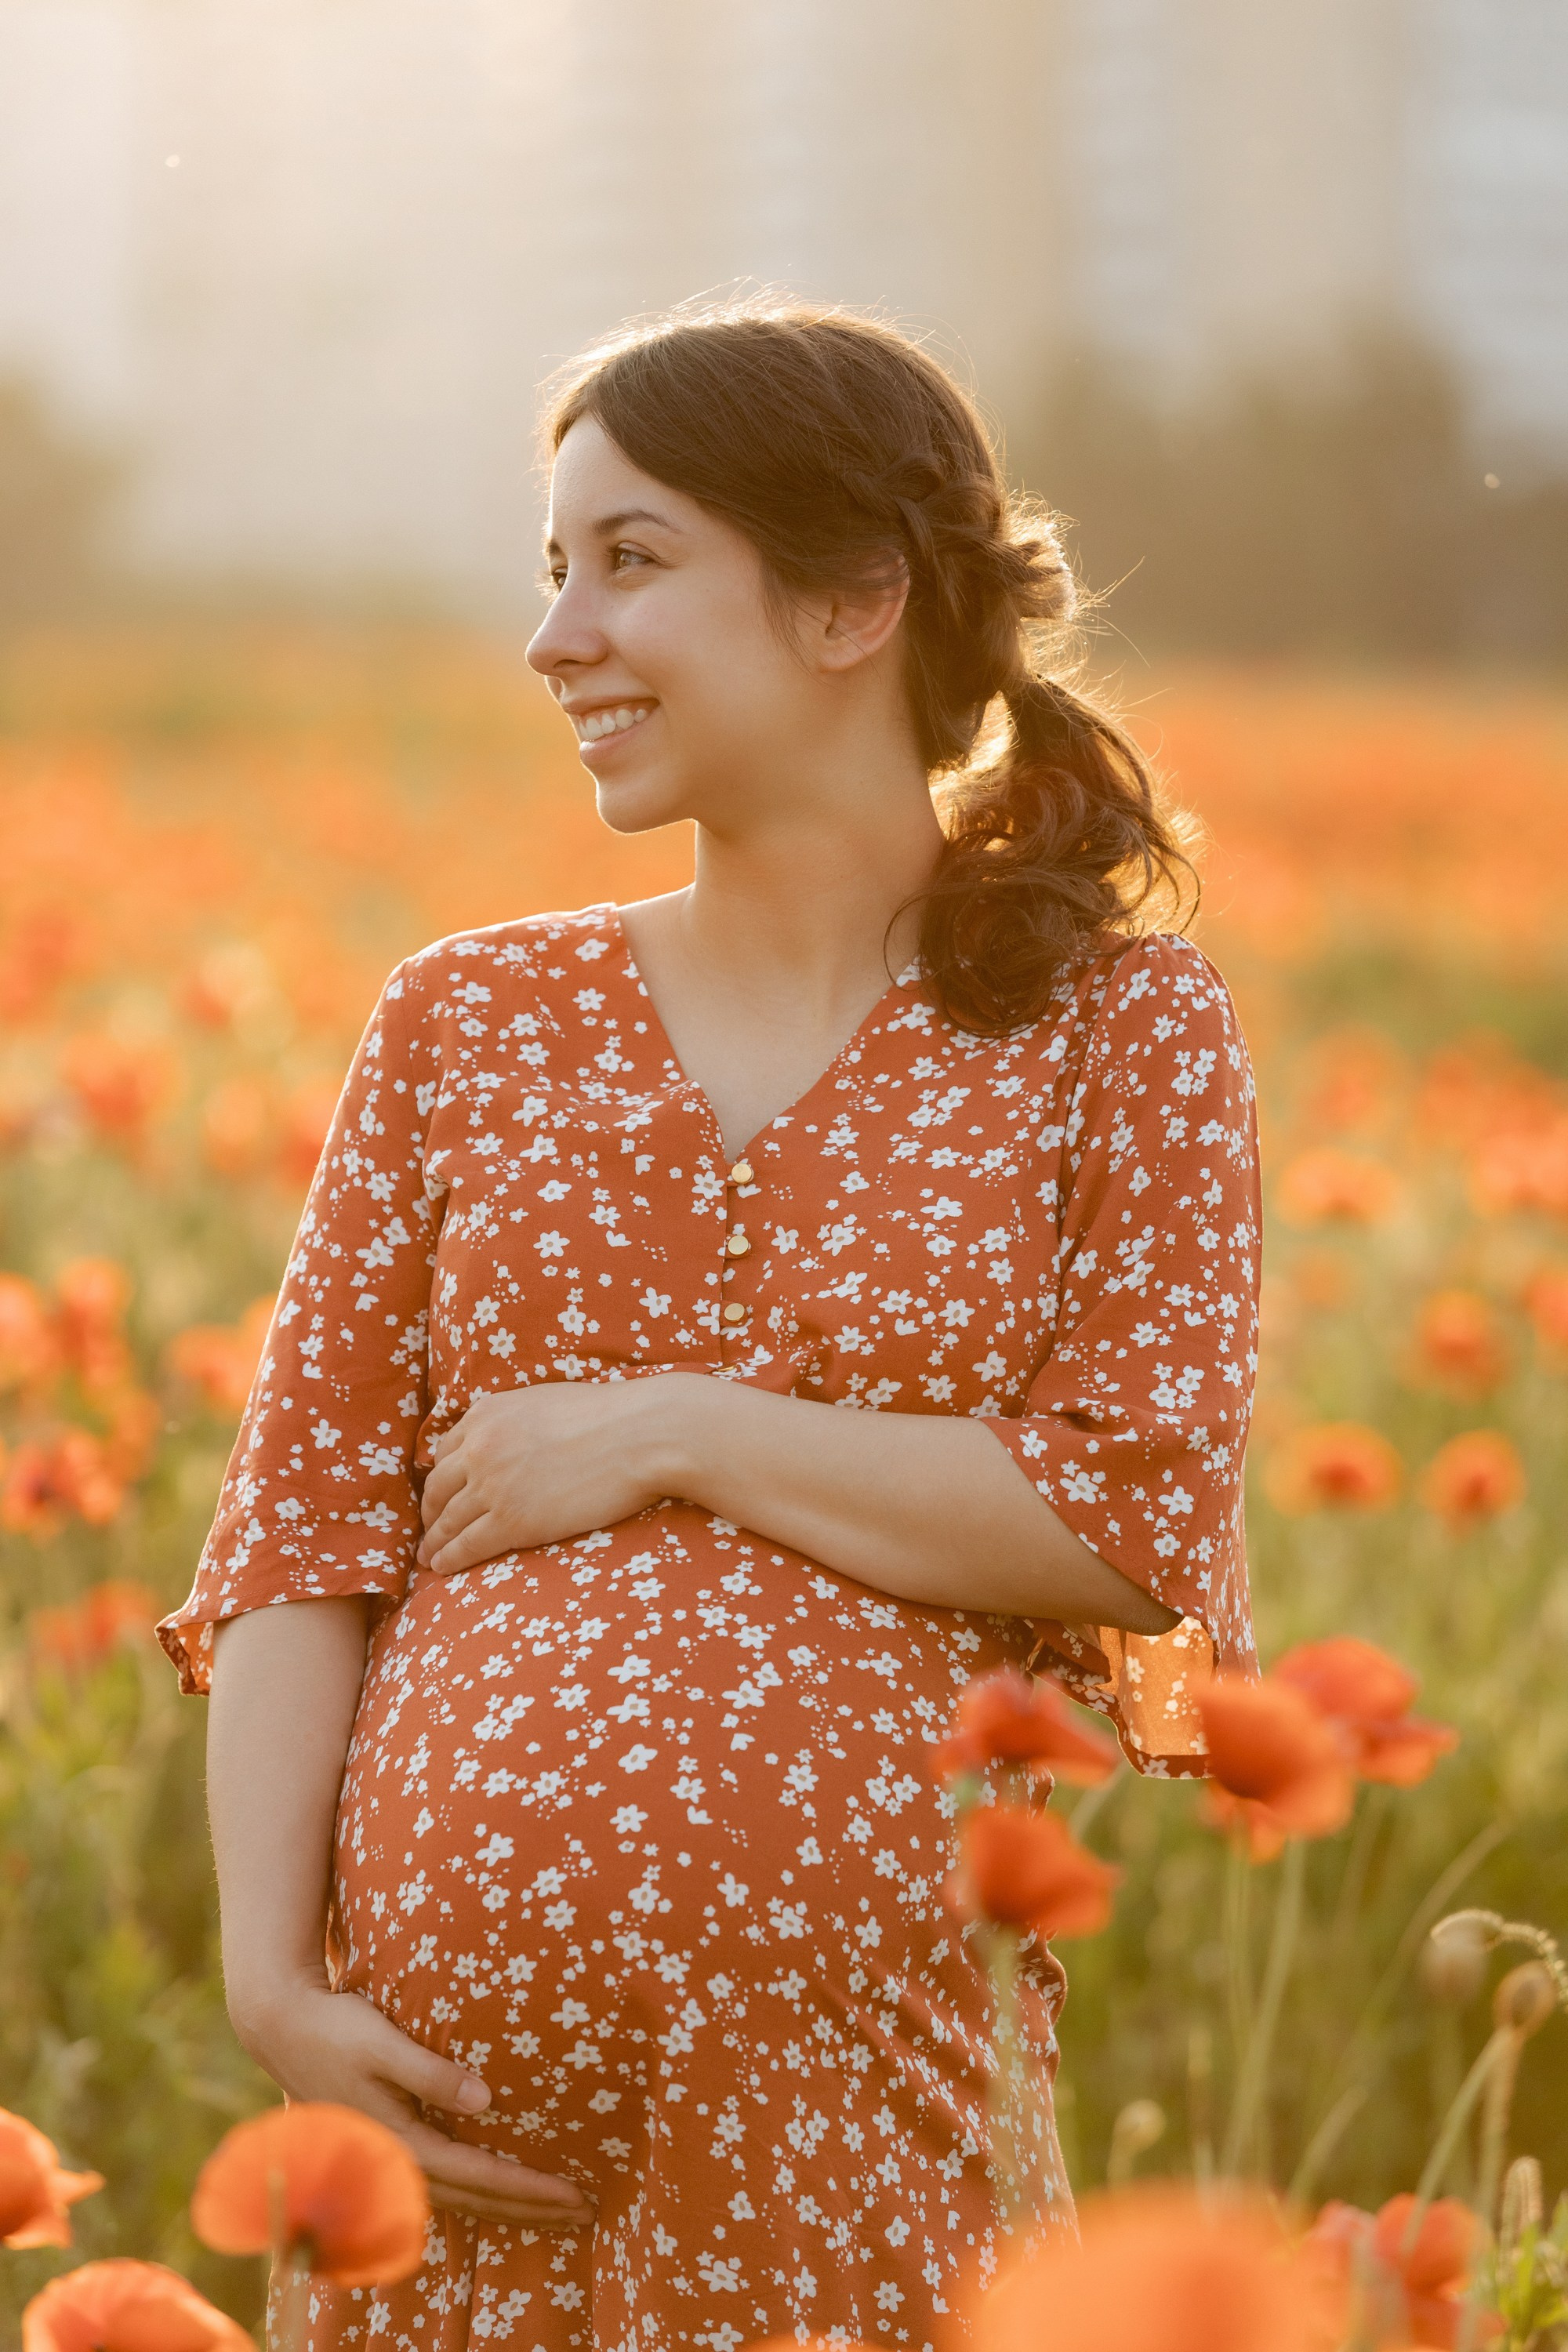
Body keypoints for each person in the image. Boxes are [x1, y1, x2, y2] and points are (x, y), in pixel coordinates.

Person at [160, 301, 1260, 2352]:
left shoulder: (1120, 1028)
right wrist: (272, 1982)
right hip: (444, 2138)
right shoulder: (463, 1019)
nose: (554, 636)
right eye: (549, 569)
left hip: (855, 2125)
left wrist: (674, 1426)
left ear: (856, 601)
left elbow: (1133, 1520)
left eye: (629, 561)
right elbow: (306, 1526)